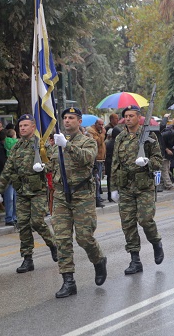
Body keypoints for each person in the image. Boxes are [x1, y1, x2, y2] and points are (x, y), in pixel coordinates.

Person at [48, 107, 107, 298]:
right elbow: (53, 164)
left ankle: (98, 260)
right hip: (61, 197)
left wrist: (67, 145)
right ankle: (68, 281)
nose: (66, 121)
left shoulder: (88, 141)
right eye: (64, 118)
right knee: (62, 239)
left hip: (82, 195)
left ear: (79, 121)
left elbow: (88, 159)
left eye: (71, 118)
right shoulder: (57, 142)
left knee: (84, 237)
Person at [0, 114, 58, 273]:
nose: (22, 128)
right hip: (21, 191)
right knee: (23, 225)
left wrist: (43, 167)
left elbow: (54, 163)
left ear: (33, 127)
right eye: (20, 126)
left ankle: (53, 244)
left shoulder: (41, 145)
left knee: (37, 221)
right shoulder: (16, 147)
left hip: (38, 191)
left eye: (25, 125)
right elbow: (8, 170)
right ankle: (27, 259)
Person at [110, 105, 164, 275]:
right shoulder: (120, 137)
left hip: (144, 185)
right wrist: (113, 188)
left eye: (131, 115)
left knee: (146, 220)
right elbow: (114, 163)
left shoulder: (149, 135)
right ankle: (135, 259)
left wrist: (147, 162)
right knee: (128, 224)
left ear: (138, 117)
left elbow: (158, 160)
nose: (128, 119)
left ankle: (156, 242)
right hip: (125, 186)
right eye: (126, 116)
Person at [87, 118, 106, 207]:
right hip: (95, 159)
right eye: (100, 125)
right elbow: (98, 142)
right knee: (96, 180)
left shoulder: (99, 131)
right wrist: (102, 134)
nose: (102, 127)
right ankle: (96, 198)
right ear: (96, 124)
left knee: (99, 179)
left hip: (101, 159)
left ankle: (98, 196)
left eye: (103, 125)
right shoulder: (92, 132)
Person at [3, 128, 18, 226]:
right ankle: (12, 217)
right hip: (13, 172)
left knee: (11, 197)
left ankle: (11, 217)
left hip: (9, 172)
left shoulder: (4, 143)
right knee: (13, 197)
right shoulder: (17, 142)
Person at [104, 127, 121, 202]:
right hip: (115, 163)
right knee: (117, 179)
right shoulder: (118, 143)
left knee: (109, 180)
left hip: (108, 163)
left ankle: (109, 195)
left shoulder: (108, 143)